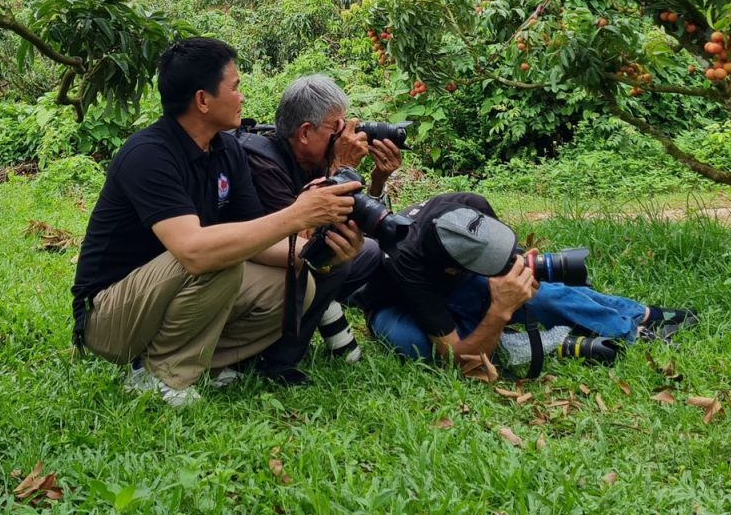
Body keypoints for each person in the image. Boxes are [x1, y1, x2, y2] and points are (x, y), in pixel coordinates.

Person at [71, 38, 363, 406]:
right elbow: (194, 252)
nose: (242, 97)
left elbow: (260, 241)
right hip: (110, 316)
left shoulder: (228, 150)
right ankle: (158, 374)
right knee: (217, 258)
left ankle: (200, 363)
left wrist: (321, 253)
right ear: (203, 100)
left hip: (171, 291)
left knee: (295, 286)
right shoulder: (148, 154)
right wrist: (296, 215)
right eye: (235, 87)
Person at [358, 192, 696, 375]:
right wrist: (499, 312)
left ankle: (638, 318)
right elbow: (461, 362)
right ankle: (548, 342)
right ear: (451, 270)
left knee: (538, 297)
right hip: (396, 305)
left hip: (455, 282)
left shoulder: (469, 205)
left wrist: (518, 264)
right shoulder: (404, 261)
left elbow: (506, 255)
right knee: (418, 347)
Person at [236, 74, 401, 379]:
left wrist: (377, 180)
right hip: (261, 264)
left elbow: (355, 223)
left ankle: (327, 307)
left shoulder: (312, 159)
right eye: (336, 129)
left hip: (290, 256)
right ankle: (275, 359)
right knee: (329, 258)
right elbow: (302, 240)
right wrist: (342, 168)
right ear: (304, 133)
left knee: (370, 252)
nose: (345, 136)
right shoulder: (261, 162)